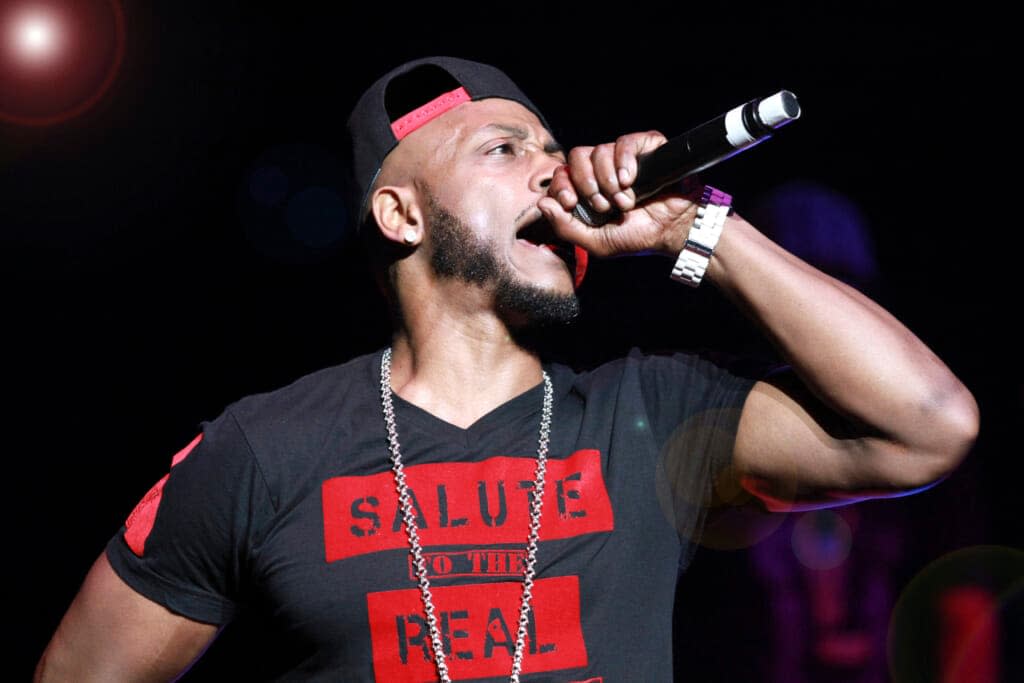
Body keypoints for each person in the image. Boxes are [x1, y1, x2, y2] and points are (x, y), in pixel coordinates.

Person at [33, 56, 979, 682]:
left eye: (551, 149)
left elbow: (929, 423)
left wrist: (702, 228)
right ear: (401, 216)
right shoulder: (264, 448)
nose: (553, 171)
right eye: (503, 150)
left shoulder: (648, 411)